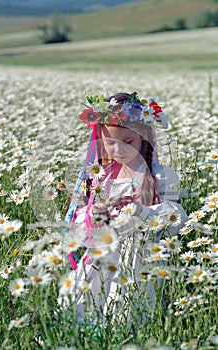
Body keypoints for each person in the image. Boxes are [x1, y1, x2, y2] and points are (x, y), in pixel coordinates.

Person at [62, 92, 188, 327]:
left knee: (125, 304)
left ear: (144, 137)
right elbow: (78, 221)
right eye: (110, 143)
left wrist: (141, 211)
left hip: (138, 255)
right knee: (83, 302)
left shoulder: (160, 175)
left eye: (127, 142)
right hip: (101, 253)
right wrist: (96, 214)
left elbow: (177, 218)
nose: (118, 150)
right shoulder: (101, 177)